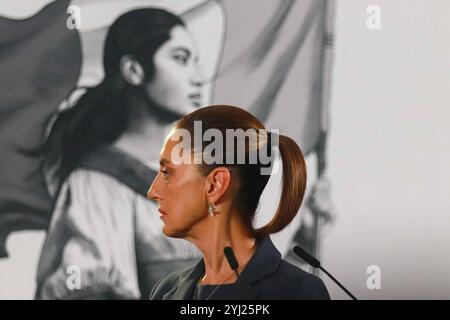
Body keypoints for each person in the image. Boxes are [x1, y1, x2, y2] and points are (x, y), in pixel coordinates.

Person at [35, 8, 205, 299]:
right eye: (180, 59)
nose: (198, 78)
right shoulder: (96, 183)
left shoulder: (199, 177)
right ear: (133, 70)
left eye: (195, 63)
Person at [148, 105, 330, 300]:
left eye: (166, 173)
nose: (152, 192)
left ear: (215, 185)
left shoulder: (297, 293)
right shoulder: (165, 292)